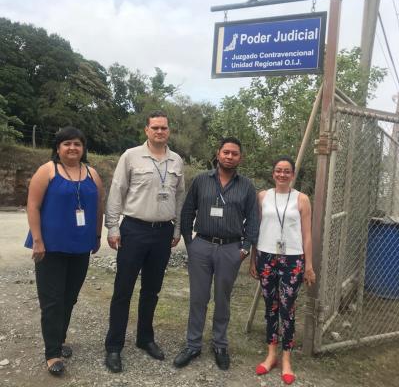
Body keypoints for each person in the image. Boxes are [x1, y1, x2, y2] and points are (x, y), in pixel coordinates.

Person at [104, 110, 185, 373]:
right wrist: (113, 227)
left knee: (151, 290)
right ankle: (114, 346)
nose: (160, 131)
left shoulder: (176, 161)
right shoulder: (130, 156)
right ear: (146, 130)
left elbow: (180, 198)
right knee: (123, 290)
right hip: (134, 230)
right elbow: (117, 191)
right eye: (155, 127)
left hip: (163, 232)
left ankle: (145, 338)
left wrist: (177, 230)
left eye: (164, 127)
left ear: (169, 131)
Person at [173, 137, 259, 371]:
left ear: (240, 158)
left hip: (230, 249)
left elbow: (253, 218)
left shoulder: (247, 186)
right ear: (218, 154)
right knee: (198, 298)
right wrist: (190, 242)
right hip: (201, 245)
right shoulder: (202, 180)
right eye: (226, 152)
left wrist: (245, 248)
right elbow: (188, 209)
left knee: (223, 299)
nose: (230, 156)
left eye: (234, 153)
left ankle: (220, 344)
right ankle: (193, 344)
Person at [25, 126, 104, 376]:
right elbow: (33, 205)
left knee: (69, 298)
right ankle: (52, 353)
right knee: (52, 301)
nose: (72, 148)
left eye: (77, 144)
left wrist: (98, 235)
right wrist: (37, 240)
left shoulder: (92, 173)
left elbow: (99, 207)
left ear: (83, 148)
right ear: (58, 148)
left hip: (80, 246)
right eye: (67, 144)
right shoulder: (47, 170)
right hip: (49, 248)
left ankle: (58, 340)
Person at [249, 155, 316, 385]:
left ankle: (287, 359)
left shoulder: (302, 199)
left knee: (287, 308)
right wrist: (253, 258)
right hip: (266, 256)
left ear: (293, 174)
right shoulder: (262, 197)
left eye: (287, 171)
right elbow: (256, 230)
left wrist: (308, 265)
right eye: (278, 170)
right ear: (273, 173)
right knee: (270, 307)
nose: (282, 174)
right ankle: (271, 355)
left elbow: (307, 234)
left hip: (293, 259)